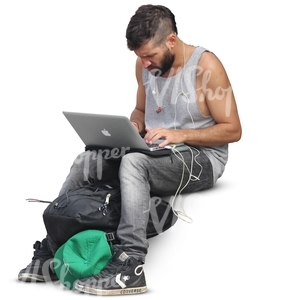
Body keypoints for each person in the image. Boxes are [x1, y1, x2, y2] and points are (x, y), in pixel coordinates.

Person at [18, 4, 242, 296]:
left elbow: (233, 129)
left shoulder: (206, 66)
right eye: (140, 57)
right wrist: (134, 127)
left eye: (150, 55)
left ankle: (130, 265)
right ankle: (52, 248)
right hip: (154, 151)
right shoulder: (145, 65)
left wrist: (179, 133)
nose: (145, 64)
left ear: (171, 40)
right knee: (88, 160)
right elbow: (140, 110)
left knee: (134, 163)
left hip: (201, 160)